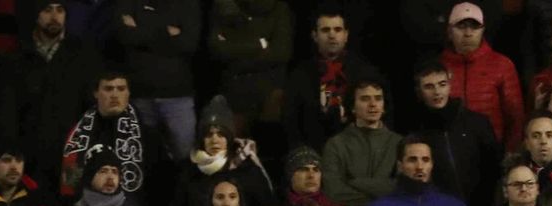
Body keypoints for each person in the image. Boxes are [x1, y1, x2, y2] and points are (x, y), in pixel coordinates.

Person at [0, 1, 103, 191]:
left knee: (70, 201)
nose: (54, 16)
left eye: (60, 10)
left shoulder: (82, 54)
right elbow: (7, 111)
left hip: (71, 155)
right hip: (28, 155)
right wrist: (11, 152)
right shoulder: (16, 57)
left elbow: (91, 108)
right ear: (36, 15)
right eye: (47, 10)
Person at [412, 59, 502, 206]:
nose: (437, 92)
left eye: (442, 84)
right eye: (429, 86)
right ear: (419, 91)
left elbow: (494, 169)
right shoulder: (416, 133)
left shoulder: (477, 123)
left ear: (450, 85)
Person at [113, 0, 200, 163]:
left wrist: (141, 29)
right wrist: (167, 32)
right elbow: (124, 35)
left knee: (186, 158)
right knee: (138, 158)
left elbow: (188, 43)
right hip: (139, 94)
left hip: (177, 96)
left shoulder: (187, 4)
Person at [282, 5, 376, 154]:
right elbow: (292, 125)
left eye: (337, 30)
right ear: (315, 36)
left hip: (359, 150)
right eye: (326, 30)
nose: (332, 35)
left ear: (346, 35)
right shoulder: (300, 75)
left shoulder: (365, 72)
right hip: (313, 152)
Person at [440, 2, 523, 149]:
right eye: (461, 26)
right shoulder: (438, 67)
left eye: (474, 26)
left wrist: (511, 152)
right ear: (449, 31)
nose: (468, 33)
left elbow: (516, 117)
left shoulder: (502, 65)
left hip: (492, 150)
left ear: (483, 30)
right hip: (449, 151)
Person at [320, 77, 401, 206]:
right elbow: (333, 192)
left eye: (378, 98)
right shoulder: (336, 144)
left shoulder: (399, 143)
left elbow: (401, 188)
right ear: (352, 107)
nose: (373, 104)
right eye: (365, 99)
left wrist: (354, 182)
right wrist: (381, 196)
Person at [208, 0, 293, 138]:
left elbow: (281, 53)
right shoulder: (224, 5)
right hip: (235, 94)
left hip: (269, 91)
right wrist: (259, 45)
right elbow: (217, 49)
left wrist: (236, 59)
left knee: (270, 142)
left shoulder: (279, 8)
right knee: (232, 143)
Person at [60, 69, 146, 199]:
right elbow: (71, 182)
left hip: (130, 204)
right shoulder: (78, 132)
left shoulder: (145, 133)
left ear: (128, 93)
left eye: (121, 89)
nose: (115, 95)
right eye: (108, 89)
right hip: (83, 202)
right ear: (96, 93)